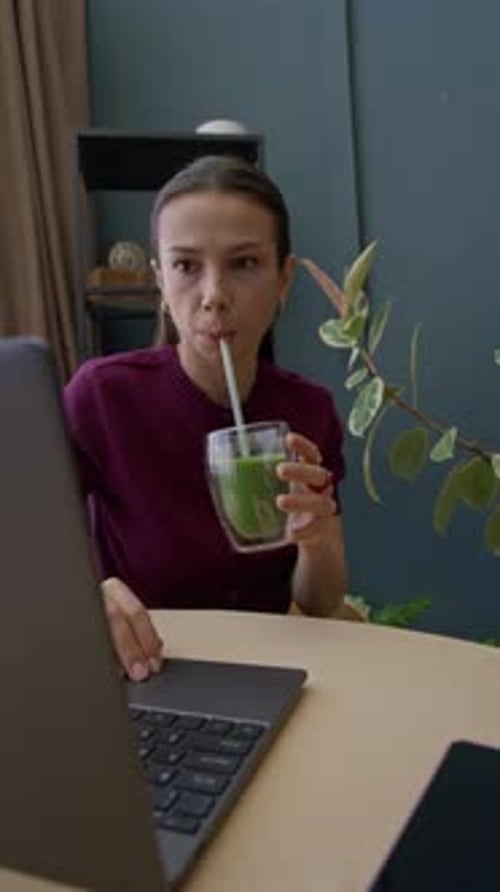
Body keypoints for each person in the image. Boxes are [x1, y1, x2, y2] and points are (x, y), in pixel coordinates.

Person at [64, 155, 348, 681]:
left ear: (283, 280)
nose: (214, 295)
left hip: (272, 672)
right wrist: (84, 596)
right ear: (160, 284)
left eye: (244, 263)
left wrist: (317, 536)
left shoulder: (309, 412)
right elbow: (27, 549)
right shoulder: (102, 398)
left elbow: (323, 602)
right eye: (186, 265)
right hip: (145, 672)